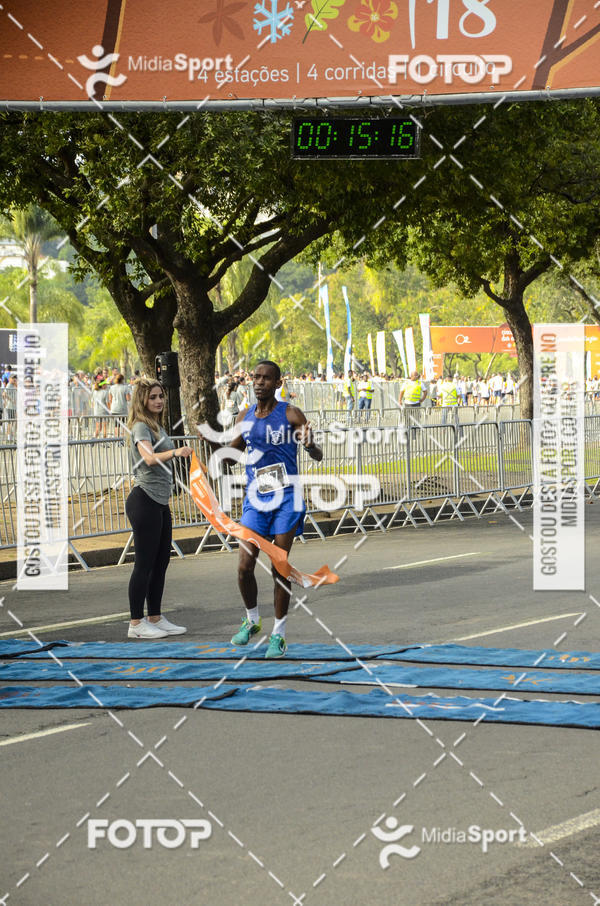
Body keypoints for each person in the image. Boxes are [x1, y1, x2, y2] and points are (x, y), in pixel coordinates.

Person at [201, 360, 323, 658]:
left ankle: (278, 634)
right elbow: (232, 455)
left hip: (286, 500)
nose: (259, 382)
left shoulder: (291, 413)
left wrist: (309, 445)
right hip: (256, 500)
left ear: (278, 383)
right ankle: (252, 620)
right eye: (255, 377)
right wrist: (210, 449)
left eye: (266, 378)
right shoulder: (246, 416)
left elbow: (318, 454)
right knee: (244, 567)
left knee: (280, 568)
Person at [126, 379, 193, 639]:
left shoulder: (156, 425)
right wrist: (175, 453)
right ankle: (135, 623)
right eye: (153, 397)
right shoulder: (141, 426)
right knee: (143, 564)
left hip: (161, 502)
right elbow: (149, 458)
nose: (158, 401)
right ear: (142, 400)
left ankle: (154, 616)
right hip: (144, 500)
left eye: (161, 396)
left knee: (161, 562)